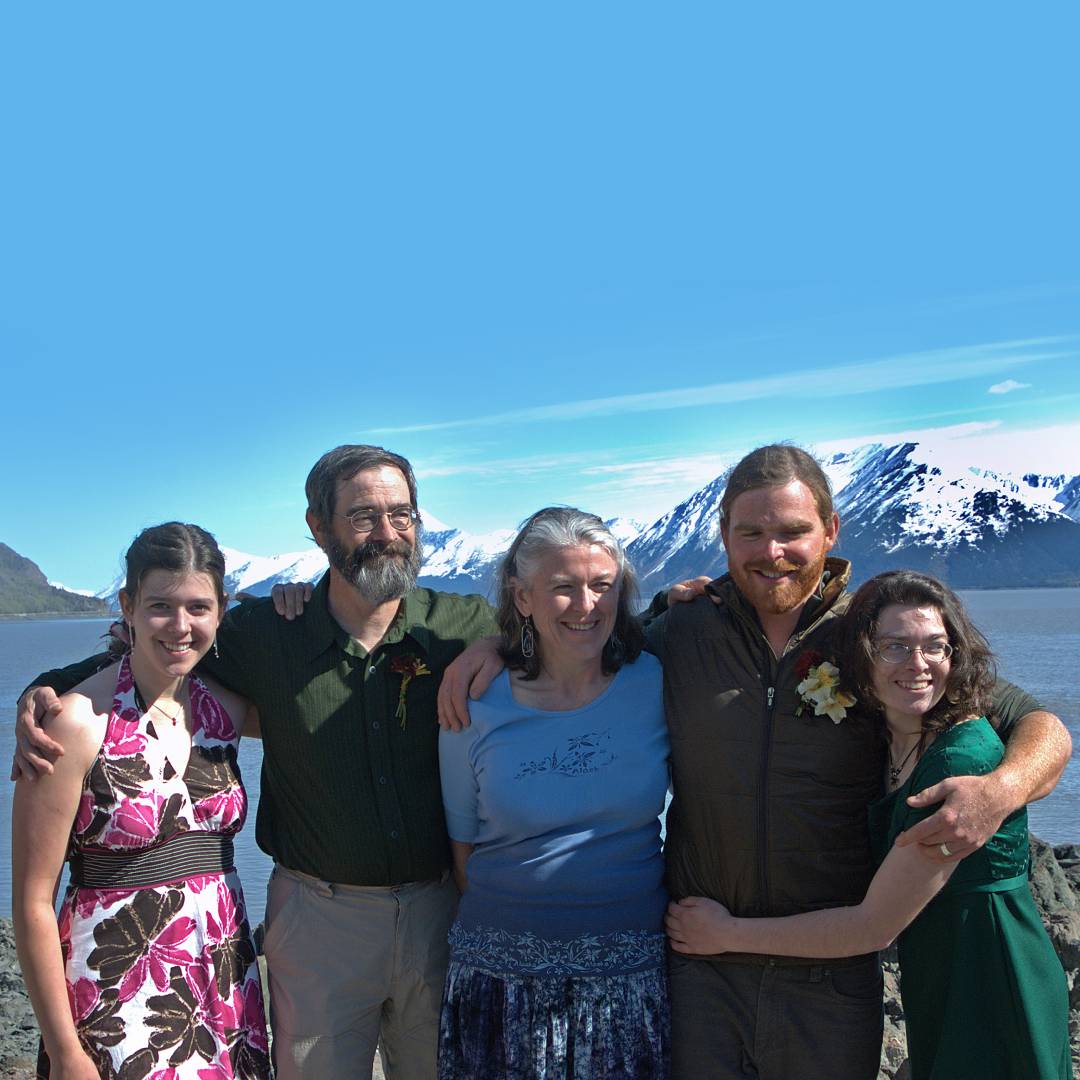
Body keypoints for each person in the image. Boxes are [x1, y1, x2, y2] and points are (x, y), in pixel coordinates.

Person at [437, 444, 1072, 1080]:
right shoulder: (680, 633)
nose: (773, 553)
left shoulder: (871, 638)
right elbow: (577, 634)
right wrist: (494, 647)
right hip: (698, 964)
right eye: (752, 533)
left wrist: (1001, 790)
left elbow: (1035, 724)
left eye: (794, 532)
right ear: (724, 537)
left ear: (830, 530)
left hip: (831, 972)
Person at [14, 445, 498, 1080]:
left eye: (401, 514)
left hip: (433, 917)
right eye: (362, 516)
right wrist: (45, 690)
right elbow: (150, 658)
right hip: (311, 922)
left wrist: (501, 644)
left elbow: (560, 635)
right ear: (318, 527)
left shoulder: (462, 625)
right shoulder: (267, 634)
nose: (386, 532)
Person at [665, 570, 1073, 1080]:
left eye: (935, 646)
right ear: (861, 657)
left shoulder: (956, 763)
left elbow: (874, 926)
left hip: (991, 976)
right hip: (940, 973)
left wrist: (725, 933)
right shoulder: (897, 736)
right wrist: (662, 605)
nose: (918, 664)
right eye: (895, 647)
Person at [12, 522, 271, 1079]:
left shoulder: (226, 714)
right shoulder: (75, 724)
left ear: (221, 610)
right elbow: (34, 901)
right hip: (115, 993)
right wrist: (64, 1052)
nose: (181, 626)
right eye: (160, 606)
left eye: (199, 607)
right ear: (127, 606)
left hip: (224, 988)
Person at [437, 508, 669, 1079]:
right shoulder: (475, 701)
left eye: (602, 586)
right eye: (562, 588)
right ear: (522, 598)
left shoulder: (656, 683)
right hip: (498, 982)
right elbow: (461, 844)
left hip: (632, 978)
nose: (587, 605)